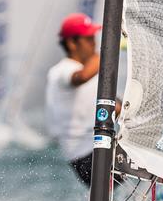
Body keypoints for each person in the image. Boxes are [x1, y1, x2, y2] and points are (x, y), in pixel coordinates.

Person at [45, 13, 119, 186]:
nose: (94, 44)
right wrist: (109, 53)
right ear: (72, 43)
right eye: (89, 39)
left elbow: (114, 107)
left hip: (99, 148)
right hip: (84, 156)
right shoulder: (61, 71)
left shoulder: (87, 72)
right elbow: (82, 77)